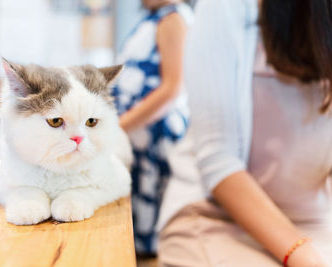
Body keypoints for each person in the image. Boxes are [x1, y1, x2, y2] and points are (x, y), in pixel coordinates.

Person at [157, 0, 332, 266]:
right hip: (216, 219)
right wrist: (303, 255)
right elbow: (218, 162)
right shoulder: (225, 7)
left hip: (314, 220)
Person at [112, 0, 194, 255]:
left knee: (148, 239)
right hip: (140, 139)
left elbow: (172, 88)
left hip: (154, 140)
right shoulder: (157, 18)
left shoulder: (172, 19)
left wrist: (118, 127)